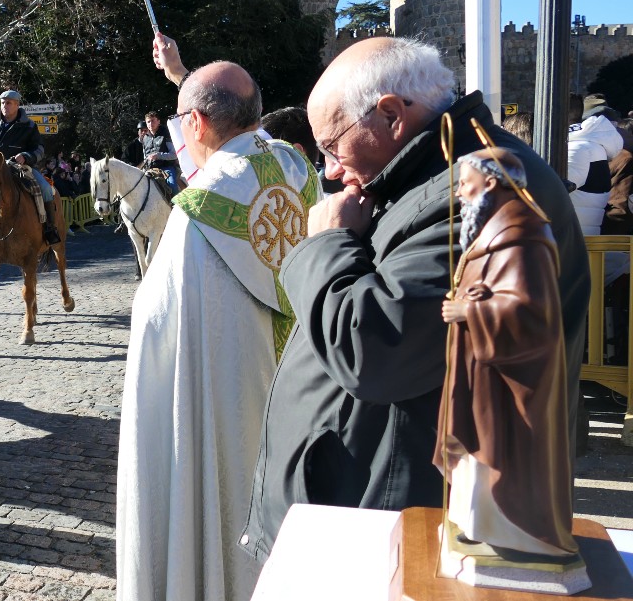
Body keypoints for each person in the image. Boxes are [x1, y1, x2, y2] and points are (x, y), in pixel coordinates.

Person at [142, 36, 587, 564]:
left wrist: (325, 243)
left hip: (398, 527)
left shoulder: (485, 195)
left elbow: (375, 350)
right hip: (366, 509)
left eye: (334, 146)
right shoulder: (421, 173)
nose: (329, 171)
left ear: (393, 115)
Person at [116, 62, 317, 601]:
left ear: (197, 124)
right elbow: (231, 144)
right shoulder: (296, 170)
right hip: (301, 395)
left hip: (226, 406)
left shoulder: (197, 216)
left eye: (184, 121)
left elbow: (157, 331)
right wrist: (181, 74)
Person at [437, 148, 579, 564]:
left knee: (504, 459)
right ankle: (484, 528)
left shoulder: (522, 237)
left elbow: (533, 316)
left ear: (492, 183)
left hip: (514, 382)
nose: (460, 193)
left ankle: (523, 538)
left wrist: (470, 310)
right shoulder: (494, 232)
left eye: (465, 183)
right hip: (485, 374)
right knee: (478, 463)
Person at [0, 89, 60, 244]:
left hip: (20, 168)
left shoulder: (29, 125)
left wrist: (26, 156)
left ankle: (50, 228)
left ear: (17, 105)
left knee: (46, 188)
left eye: (9, 103)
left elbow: (39, 149)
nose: (5, 106)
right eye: (2, 103)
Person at [566, 93, 623, 235]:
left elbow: (550, 192)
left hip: (571, 241)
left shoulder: (579, 149)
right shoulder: (586, 146)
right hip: (573, 238)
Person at [142, 111, 180, 192]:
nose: (150, 123)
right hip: (150, 169)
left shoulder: (166, 133)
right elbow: (145, 157)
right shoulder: (145, 138)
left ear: (158, 121)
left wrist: (158, 155)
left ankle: (175, 204)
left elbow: (174, 155)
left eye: (153, 120)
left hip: (166, 168)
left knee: (172, 186)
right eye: (148, 121)